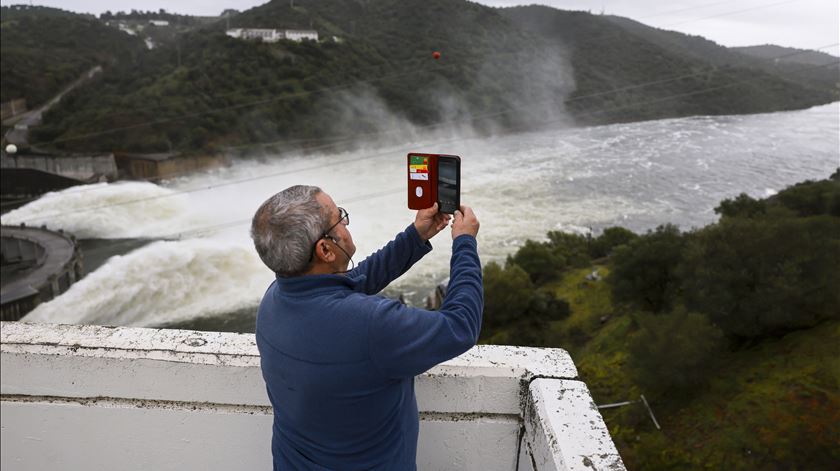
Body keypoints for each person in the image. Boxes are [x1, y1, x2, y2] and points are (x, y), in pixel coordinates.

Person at [250, 185, 483, 470]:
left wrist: (415, 236)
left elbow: (348, 282)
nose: (346, 224)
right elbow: (460, 326)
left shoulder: (274, 301)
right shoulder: (372, 325)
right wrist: (464, 243)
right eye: (339, 218)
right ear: (325, 249)